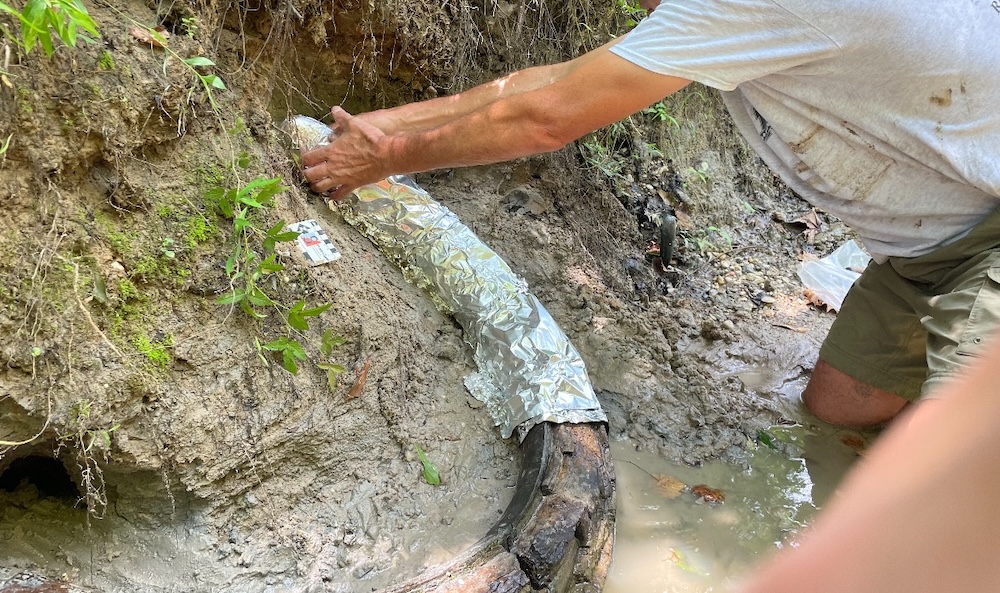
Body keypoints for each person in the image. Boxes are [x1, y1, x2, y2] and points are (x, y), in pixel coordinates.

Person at [303, 1, 1000, 590]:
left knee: (953, 487)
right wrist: (389, 127)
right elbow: (553, 78)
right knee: (839, 412)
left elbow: (547, 117)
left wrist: (383, 162)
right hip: (924, 248)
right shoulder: (713, 14)